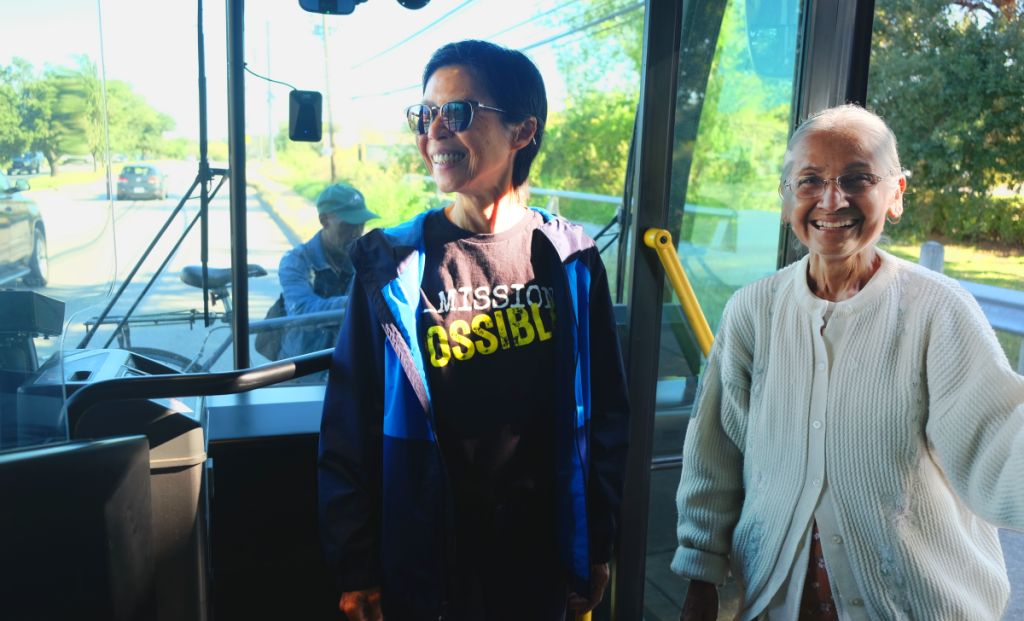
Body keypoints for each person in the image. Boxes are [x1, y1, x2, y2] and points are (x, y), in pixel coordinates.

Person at [317, 40, 631, 621]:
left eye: (456, 113)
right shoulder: (392, 265)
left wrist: (596, 546)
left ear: (521, 132)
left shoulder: (570, 259)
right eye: (425, 114)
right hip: (425, 561)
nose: (434, 131)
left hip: (538, 562)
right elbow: (348, 427)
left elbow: (604, 415)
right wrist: (355, 567)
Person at [673, 103, 1024, 621]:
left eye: (858, 178)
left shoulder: (938, 311)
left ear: (896, 195)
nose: (831, 200)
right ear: (786, 195)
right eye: (809, 180)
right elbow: (715, 455)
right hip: (775, 601)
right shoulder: (753, 309)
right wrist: (701, 575)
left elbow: (997, 444)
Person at [277, 184, 378, 360]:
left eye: (361, 224)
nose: (356, 232)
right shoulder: (296, 260)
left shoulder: (366, 258)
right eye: (347, 225)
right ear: (323, 220)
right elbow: (302, 311)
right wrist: (356, 303)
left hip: (349, 364)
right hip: (302, 370)